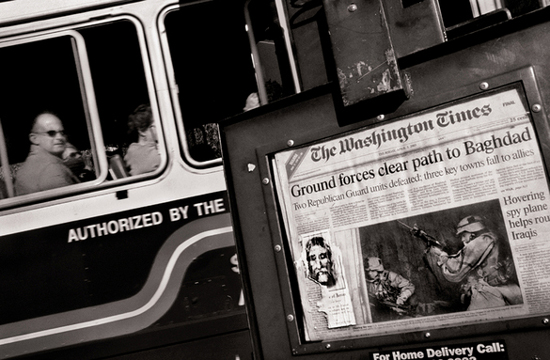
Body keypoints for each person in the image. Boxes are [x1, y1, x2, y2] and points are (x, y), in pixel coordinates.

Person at [423, 215, 522, 311]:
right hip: (510, 289)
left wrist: (440, 254)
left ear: (472, 232)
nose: (462, 240)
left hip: (491, 292)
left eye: (463, 235)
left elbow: (456, 268)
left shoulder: (482, 240)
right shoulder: (493, 237)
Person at [15, 112, 80, 195]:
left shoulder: (30, 165)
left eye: (62, 133)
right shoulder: (51, 168)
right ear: (34, 138)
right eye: (51, 133)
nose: (60, 137)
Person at [124, 104, 160, 176]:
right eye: (156, 126)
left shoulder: (133, 149)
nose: (161, 130)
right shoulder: (148, 154)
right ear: (142, 131)